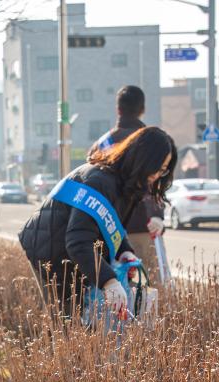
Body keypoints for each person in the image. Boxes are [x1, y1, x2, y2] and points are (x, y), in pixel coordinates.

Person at [19, 126, 177, 315]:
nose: (158, 176)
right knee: (68, 325)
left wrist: (124, 252)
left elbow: (112, 227)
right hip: (50, 250)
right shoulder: (100, 181)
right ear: (143, 160)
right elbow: (78, 241)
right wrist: (108, 281)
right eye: (157, 169)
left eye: (164, 171)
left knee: (84, 321)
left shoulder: (126, 184)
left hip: (73, 252)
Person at [87, 85, 165, 284]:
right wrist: (157, 215)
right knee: (150, 288)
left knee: (117, 292)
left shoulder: (102, 144)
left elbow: (90, 185)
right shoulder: (153, 142)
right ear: (142, 109)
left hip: (108, 230)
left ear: (118, 109)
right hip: (144, 226)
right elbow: (159, 182)